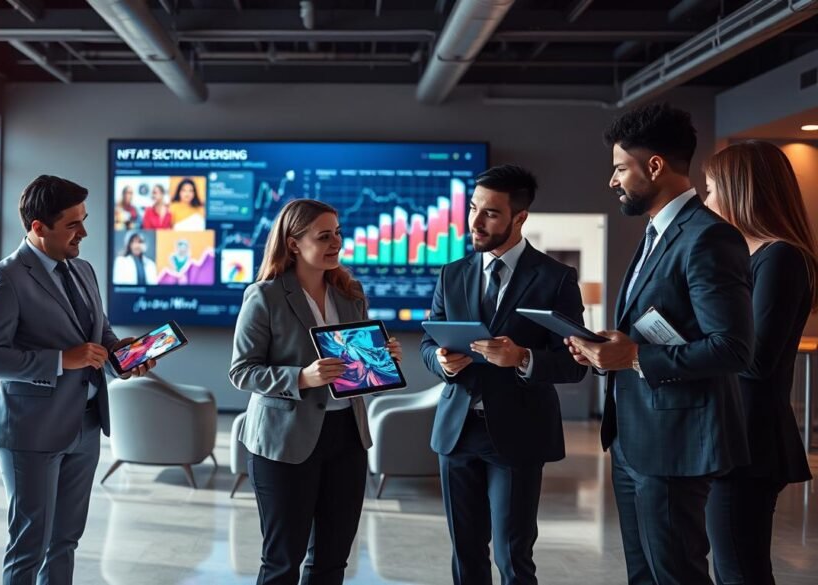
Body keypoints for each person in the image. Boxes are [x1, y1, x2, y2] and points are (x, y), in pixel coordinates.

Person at [567, 103, 753, 585]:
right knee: (644, 575)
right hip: (635, 437)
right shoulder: (656, 233)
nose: (612, 181)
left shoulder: (708, 238)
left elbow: (733, 348)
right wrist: (607, 350)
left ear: (654, 166)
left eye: (619, 168)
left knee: (676, 574)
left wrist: (634, 356)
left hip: (675, 444)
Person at [0, 175, 155, 585]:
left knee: (65, 541)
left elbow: (99, 335)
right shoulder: (4, 278)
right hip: (30, 430)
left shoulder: (84, 270)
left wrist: (123, 356)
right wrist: (60, 360)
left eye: (83, 220)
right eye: (73, 224)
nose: (84, 232)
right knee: (29, 544)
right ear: (38, 227)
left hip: (86, 423)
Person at [419, 164, 588, 585]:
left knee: (513, 558)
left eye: (490, 213)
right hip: (457, 432)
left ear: (520, 217)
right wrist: (439, 361)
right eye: (473, 208)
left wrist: (523, 358)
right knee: (465, 555)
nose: (475, 221)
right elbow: (427, 344)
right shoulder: (452, 273)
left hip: (518, 434)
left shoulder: (555, 278)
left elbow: (573, 362)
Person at [229, 199, 403, 585]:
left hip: (347, 439)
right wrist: (301, 378)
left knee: (332, 562)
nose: (335, 243)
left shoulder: (350, 293)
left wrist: (381, 359)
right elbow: (242, 372)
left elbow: (358, 369)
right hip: (284, 443)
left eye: (338, 234)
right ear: (293, 243)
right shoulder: (265, 295)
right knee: (282, 563)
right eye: (324, 236)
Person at [701, 140, 816, 585]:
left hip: (750, 440)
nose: (706, 200)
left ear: (739, 190)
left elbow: (754, 359)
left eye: (711, 189)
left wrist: (692, 344)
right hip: (733, 434)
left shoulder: (781, 258)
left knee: (740, 571)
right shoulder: (750, 257)